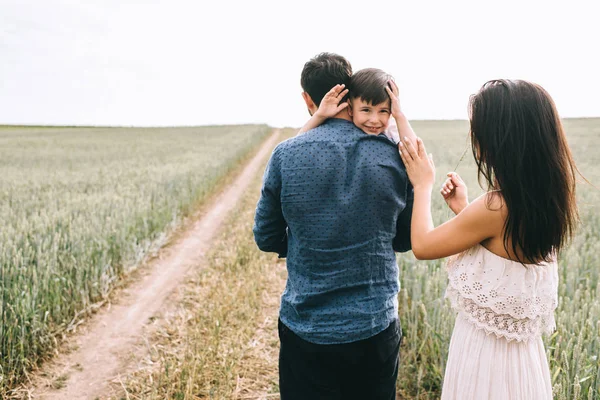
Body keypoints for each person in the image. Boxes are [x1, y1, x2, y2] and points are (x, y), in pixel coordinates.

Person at [396, 79, 577, 399]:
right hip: (523, 366)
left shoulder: (495, 206)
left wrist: (422, 184)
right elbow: (504, 254)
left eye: (477, 130)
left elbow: (422, 246)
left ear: (502, 141)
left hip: (486, 362)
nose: (473, 139)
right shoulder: (546, 201)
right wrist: (464, 210)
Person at [253, 52, 414, 400]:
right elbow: (404, 240)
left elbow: (265, 237)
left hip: (307, 328)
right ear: (351, 93)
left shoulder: (286, 154)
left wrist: (301, 243)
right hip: (375, 326)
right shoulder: (396, 156)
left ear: (308, 99)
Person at [298, 67, 411, 145]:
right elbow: (297, 142)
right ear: (350, 109)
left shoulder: (390, 129)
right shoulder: (347, 125)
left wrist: (399, 115)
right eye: (366, 110)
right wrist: (319, 116)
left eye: (383, 111)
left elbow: (417, 155)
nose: (374, 120)